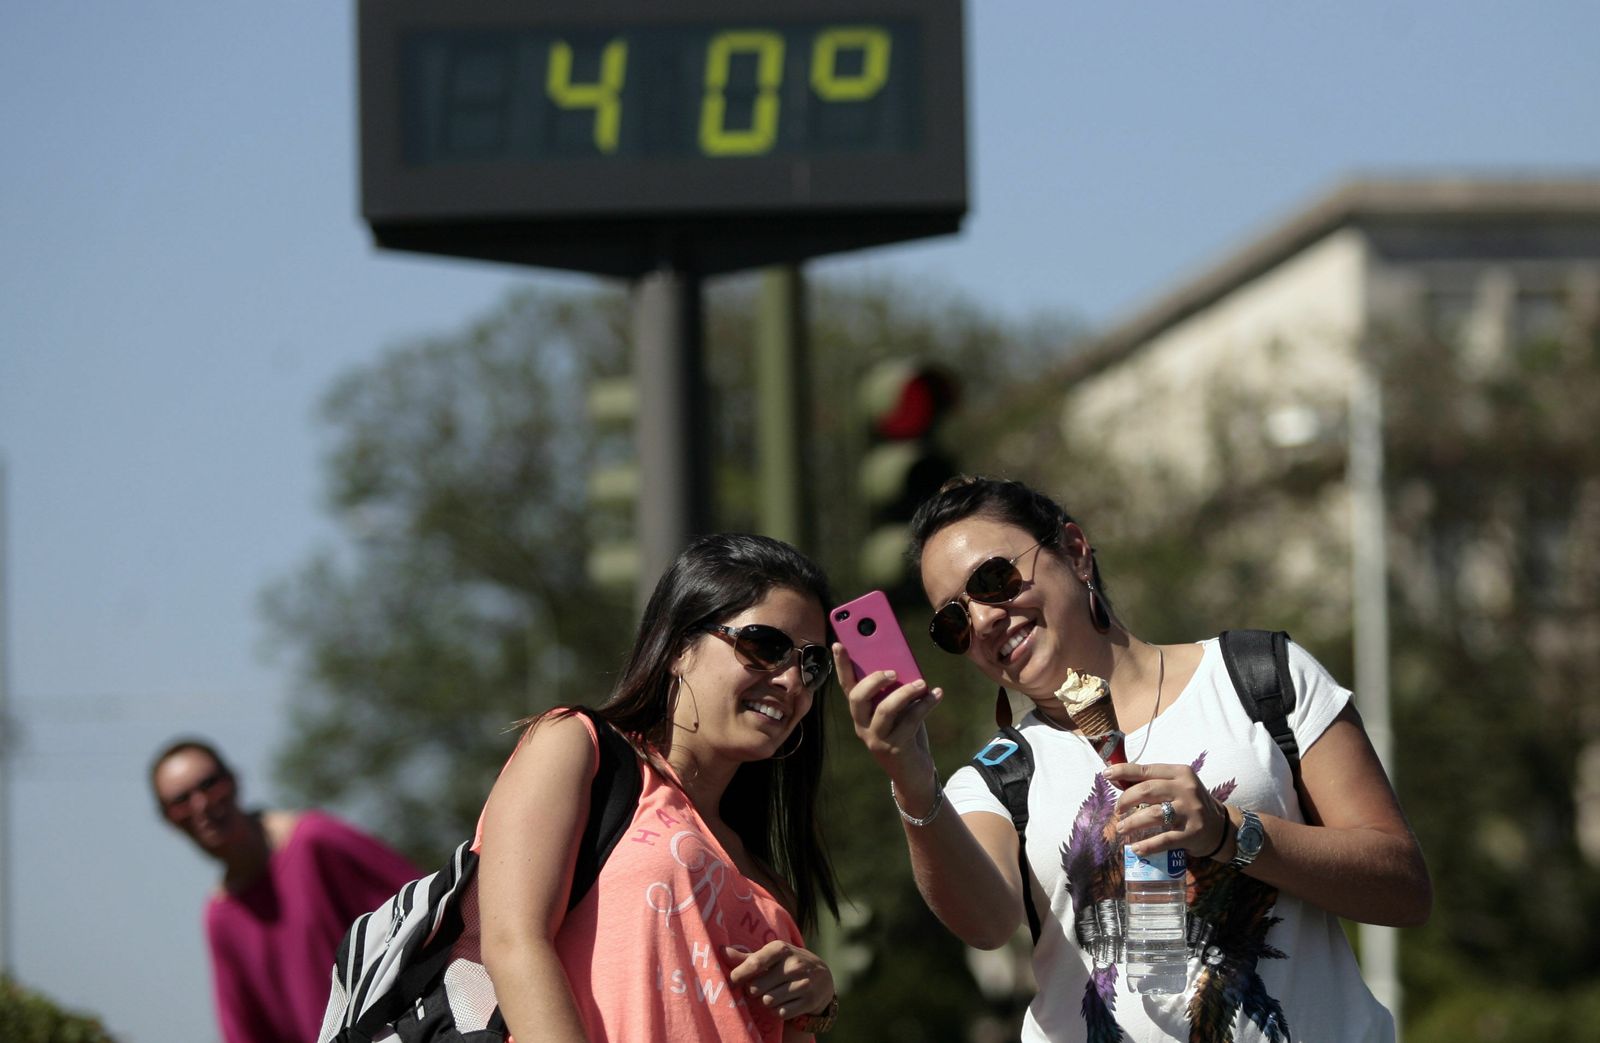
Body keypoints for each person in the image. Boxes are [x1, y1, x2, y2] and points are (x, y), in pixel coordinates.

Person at [839, 476, 1432, 1042]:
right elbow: (986, 924)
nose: (985, 617)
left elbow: (1403, 888)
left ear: (1074, 551)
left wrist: (1232, 834)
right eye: (954, 621)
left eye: (995, 579)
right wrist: (911, 779)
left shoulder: (1257, 676)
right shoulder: (998, 779)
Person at [465, 533, 842, 1041]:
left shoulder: (772, 889)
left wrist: (814, 1004)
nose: (791, 682)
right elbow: (513, 943)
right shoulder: (578, 748)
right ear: (679, 646)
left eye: (810, 664)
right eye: (764, 646)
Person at [150, 738, 420, 1043]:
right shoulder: (220, 918)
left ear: (234, 781)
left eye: (209, 784)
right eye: (181, 801)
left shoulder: (315, 840)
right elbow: (245, 1032)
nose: (202, 805)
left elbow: (430, 910)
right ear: (169, 820)